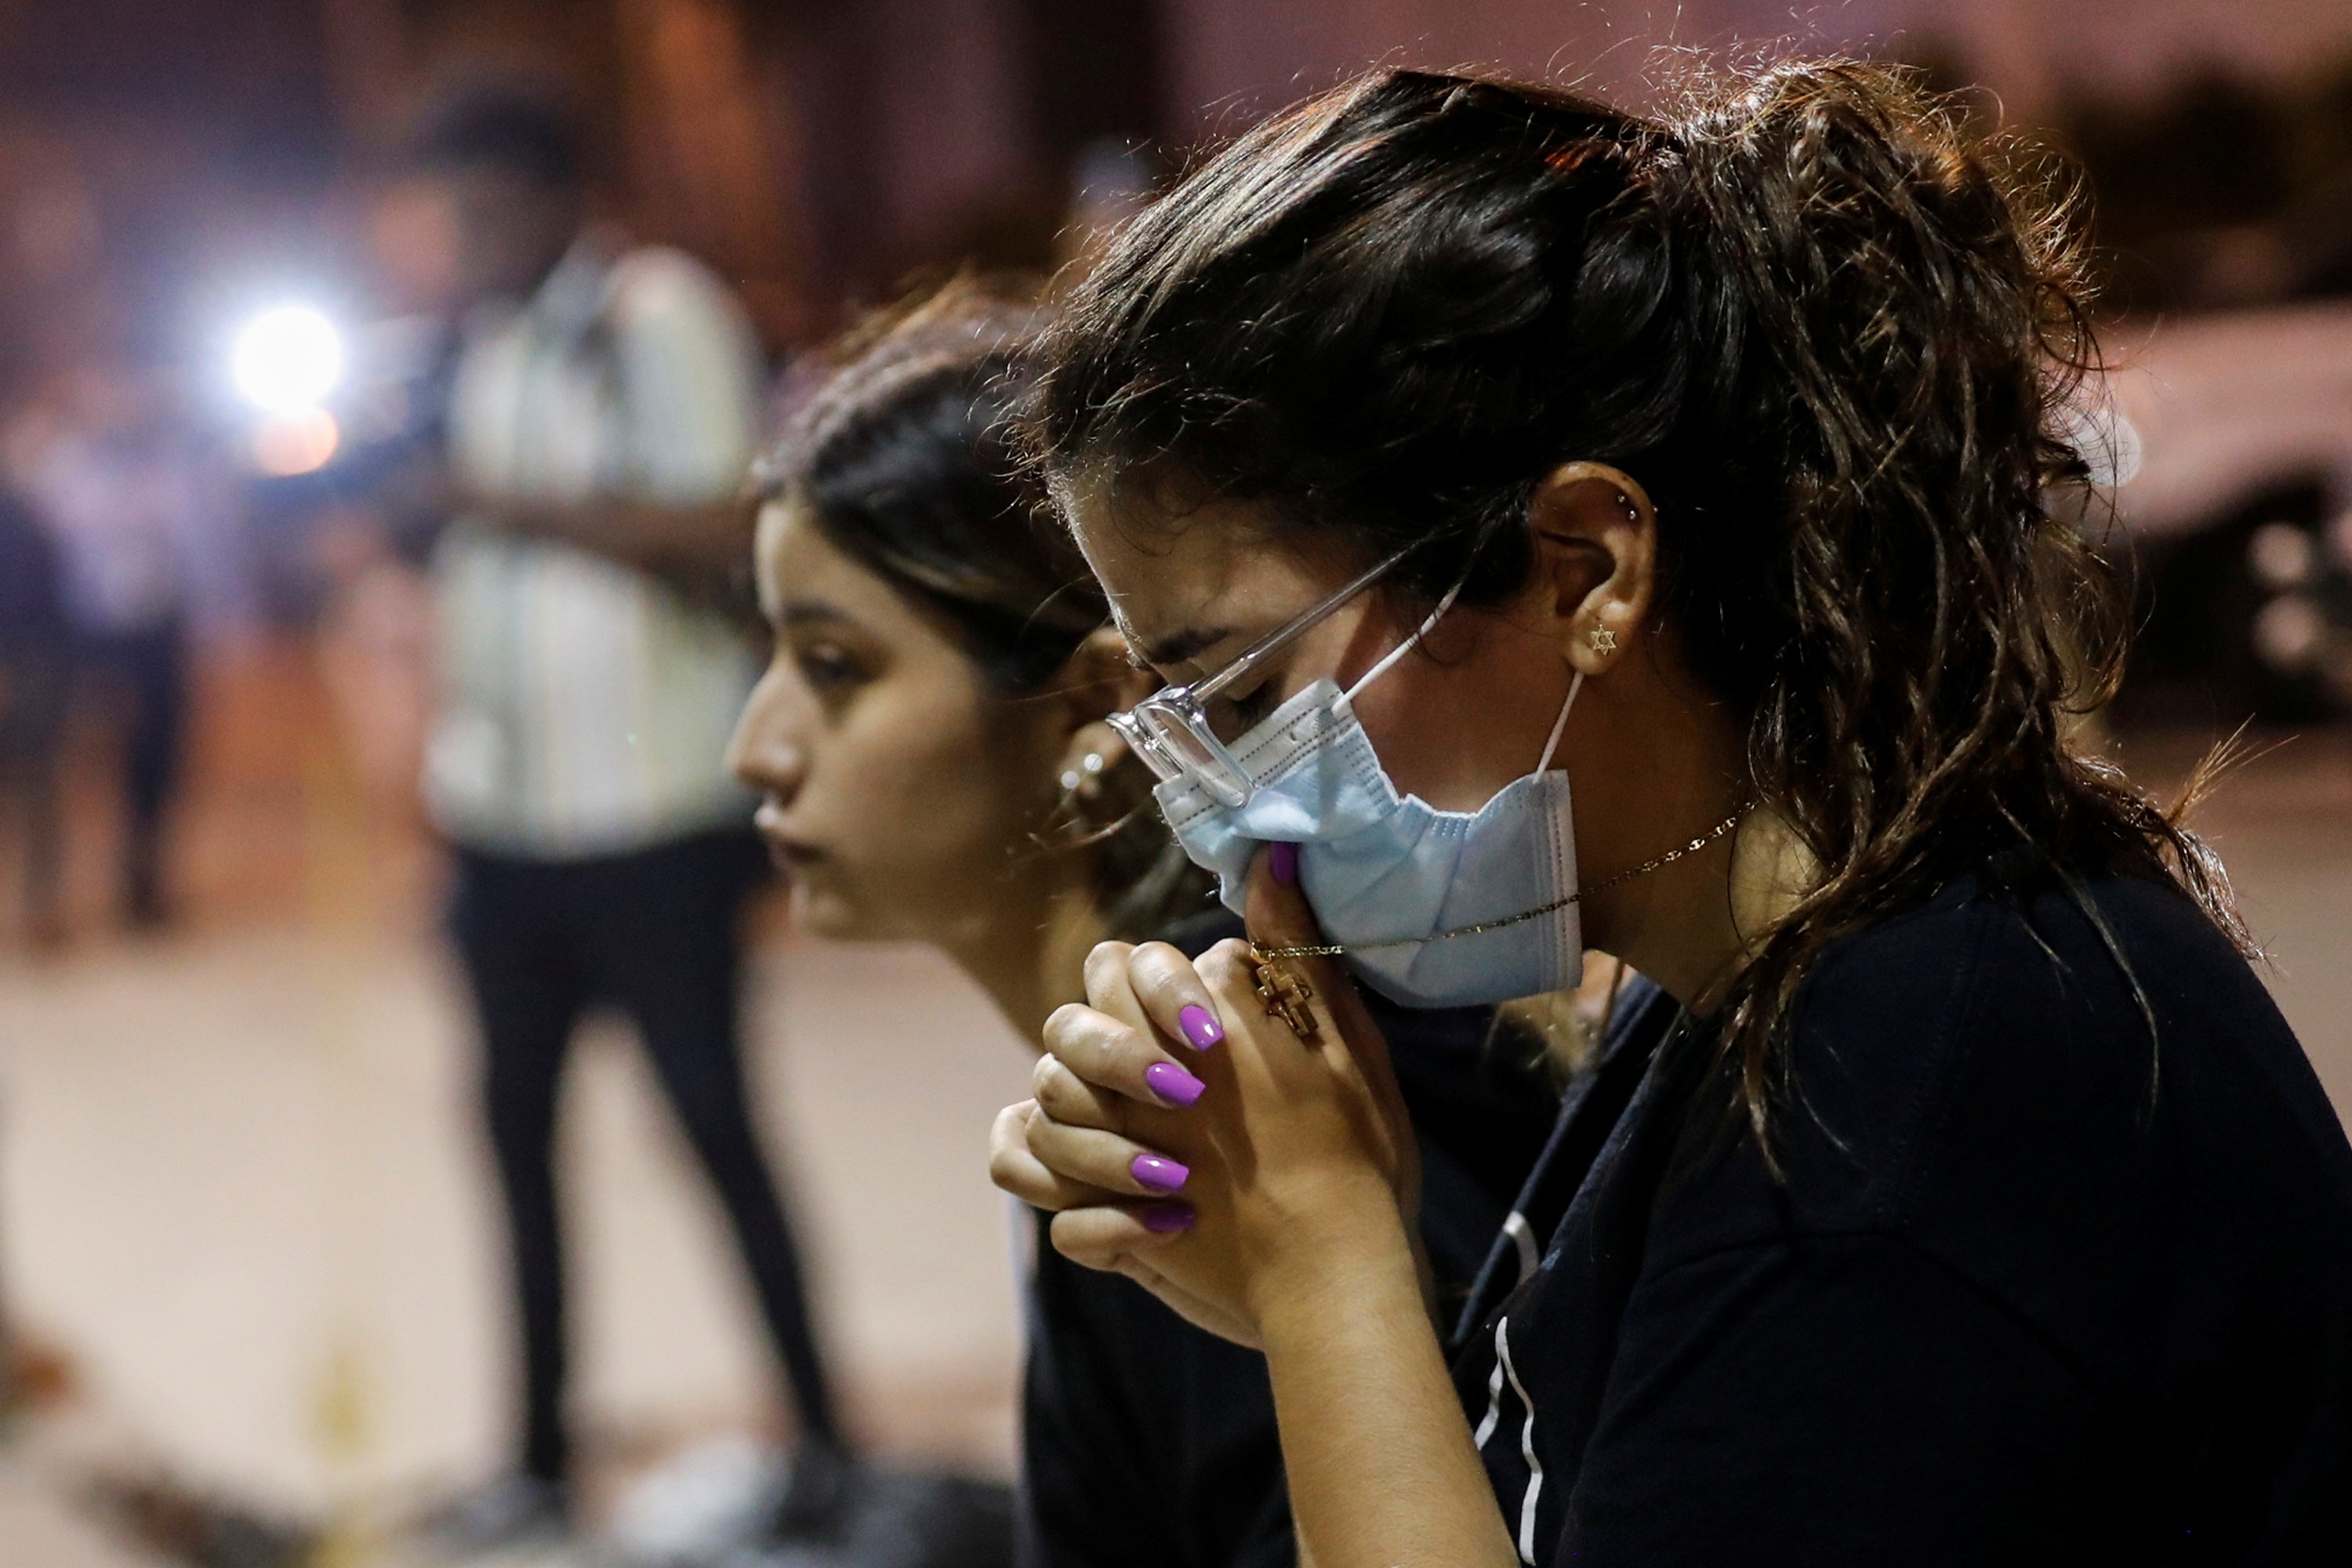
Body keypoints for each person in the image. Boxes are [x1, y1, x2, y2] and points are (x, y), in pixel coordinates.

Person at [992, 60, 2352, 1565]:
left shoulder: (1903, 1118)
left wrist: (1329, 1276)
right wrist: (1306, 1262)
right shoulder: (1754, 968)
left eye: (1245, 692)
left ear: (1586, 570)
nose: (1225, 803)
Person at [725, 278, 1560, 1567]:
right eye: (765, 657)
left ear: (1091, 704)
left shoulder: (1226, 1083)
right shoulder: (1150, 1043)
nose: (756, 748)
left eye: (836, 668)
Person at [408, 86, 847, 1551]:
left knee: (717, 1129)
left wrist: (494, 505)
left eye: (477, 209)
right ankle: (535, 1458)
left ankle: (827, 1437)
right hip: (503, 829)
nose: (457, 239)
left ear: (547, 195)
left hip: (650, 822)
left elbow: (722, 525)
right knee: (514, 1150)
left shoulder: (653, 313)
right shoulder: (481, 344)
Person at [13, 365, 206, 930]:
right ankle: (48, 897)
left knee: (154, 759)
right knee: (63, 762)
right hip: (78, 634)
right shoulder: (56, 465)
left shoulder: (171, 464)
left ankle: (142, 881)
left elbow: (202, 549)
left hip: (156, 630)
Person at [0, 478, 70, 947]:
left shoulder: (19, 514)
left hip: (25, 661)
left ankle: (41, 909)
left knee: (36, 787)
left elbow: (40, 591)